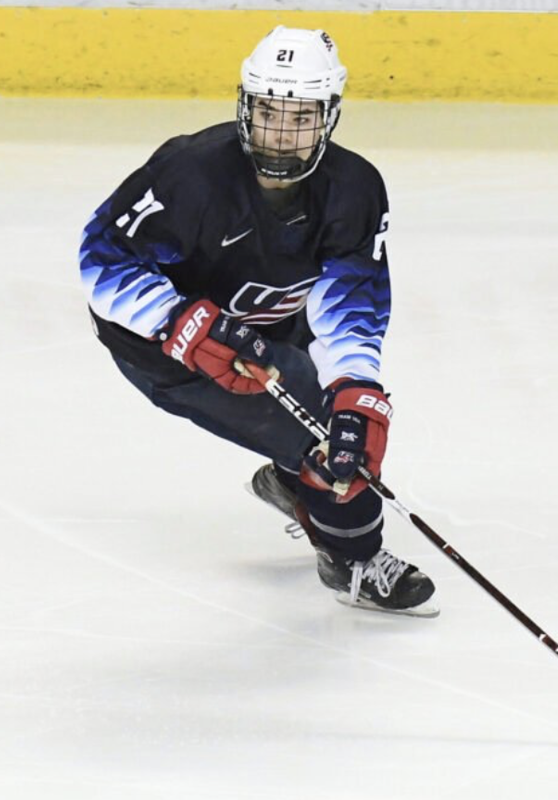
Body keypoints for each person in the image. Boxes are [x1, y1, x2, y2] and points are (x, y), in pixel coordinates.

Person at [79, 26, 437, 617]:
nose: (280, 135)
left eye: (300, 118)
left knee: (344, 424)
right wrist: (177, 323)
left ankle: (294, 478)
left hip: (267, 323)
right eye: (268, 112)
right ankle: (352, 559)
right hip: (162, 347)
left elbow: (348, 307)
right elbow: (105, 259)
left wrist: (356, 386)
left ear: (330, 117)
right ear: (245, 106)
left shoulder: (354, 189)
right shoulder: (189, 173)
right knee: (322, 435)